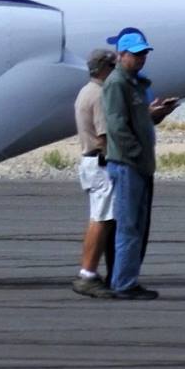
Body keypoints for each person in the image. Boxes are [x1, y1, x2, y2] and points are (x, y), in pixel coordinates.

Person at [101, 27, 179, 301]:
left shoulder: (135, 83)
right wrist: (135, 153)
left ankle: (127, 279)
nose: (141, 58)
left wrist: (157, 113)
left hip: (140, 164)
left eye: (144, 54)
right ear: (121, 55)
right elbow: (116, 125)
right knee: (129, 225)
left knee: (137, 224)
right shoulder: (117, 83)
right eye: (136, 54)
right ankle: (123, 283)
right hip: (127, 164)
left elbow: (136, 119)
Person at [72, 46, 118, 299]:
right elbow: (104, 135)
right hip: (101, 163)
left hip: (90, 162)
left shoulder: (86, 91)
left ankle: (90, 272)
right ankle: (87, 274)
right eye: (113, 66)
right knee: (101, 219)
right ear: (104, 68)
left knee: (101, 217)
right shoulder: (100, 95)